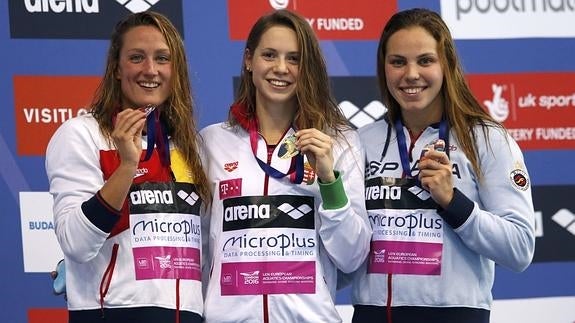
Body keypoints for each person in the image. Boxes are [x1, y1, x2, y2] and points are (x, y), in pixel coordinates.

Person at [352, 8, 536, 323]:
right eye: (398, 62)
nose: (410, 74)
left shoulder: (486, 140)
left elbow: (519, 248)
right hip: (373, 313)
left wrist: (454, 202)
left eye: (425, 60)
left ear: (447, 65)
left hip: (454, 314)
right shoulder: (360, 142)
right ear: (384, 68)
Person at [199, 9, 372, 322]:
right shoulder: (211, 142)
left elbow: (353, 256)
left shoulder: (339, 142)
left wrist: (328, 180)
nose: (281, 68)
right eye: (269, 55)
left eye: (294, 59)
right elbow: (198, 250)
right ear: (249, 60)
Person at [45, 11, 209, 323]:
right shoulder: (82, 135)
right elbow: (77, 244)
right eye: (137, 57)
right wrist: (127, 166)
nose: (151, 70)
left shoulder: (192, 148)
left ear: (177, 70)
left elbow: (209, 248)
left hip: (186, 315)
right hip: (113, 314)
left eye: (162, 58)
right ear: (117, 68)